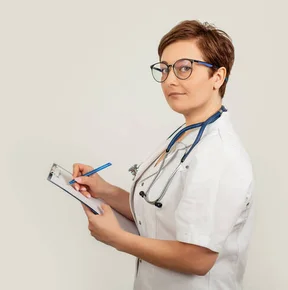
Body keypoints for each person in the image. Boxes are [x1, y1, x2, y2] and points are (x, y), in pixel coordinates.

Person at [71, 20, 254, 290]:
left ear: (217, 77)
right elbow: (157, 213)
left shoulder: (220, 155)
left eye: (184, 68)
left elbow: (198, 259)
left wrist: (116, 238)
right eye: (165, 68)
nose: (169, 79)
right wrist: (104, 190)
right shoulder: (185, 134)